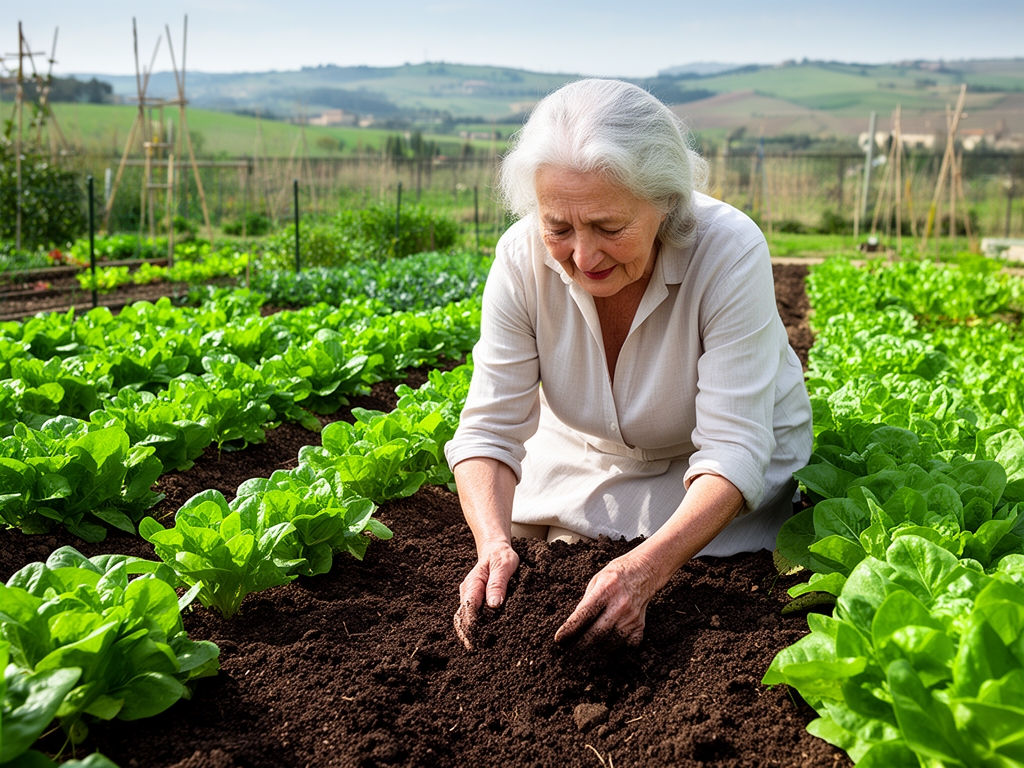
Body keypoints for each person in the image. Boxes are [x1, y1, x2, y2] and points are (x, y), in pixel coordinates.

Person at [444, 78, 812, 651]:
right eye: (558, 227)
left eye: (610, 228)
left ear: (666, 203)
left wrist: (644, 570)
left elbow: (734, 446)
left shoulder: (729, 250)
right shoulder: (520, 259)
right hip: (587, 453)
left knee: (697, 569)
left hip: (710, 476)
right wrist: (491, 544)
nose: (582, 257)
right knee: (535, 549)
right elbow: (489, 429)